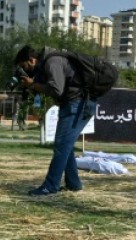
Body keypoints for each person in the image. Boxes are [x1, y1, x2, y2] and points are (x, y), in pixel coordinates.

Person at [15, 45, 96, 196]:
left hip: (78, 104)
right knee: (66, 145)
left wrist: (33, 84)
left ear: (32, 60)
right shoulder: (50, 62)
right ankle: (73, 184)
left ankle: (50, 186)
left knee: (61, 145)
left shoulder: (53, 62)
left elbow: (56, 89)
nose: (25, 70)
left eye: (24, 66)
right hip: (74, 104)